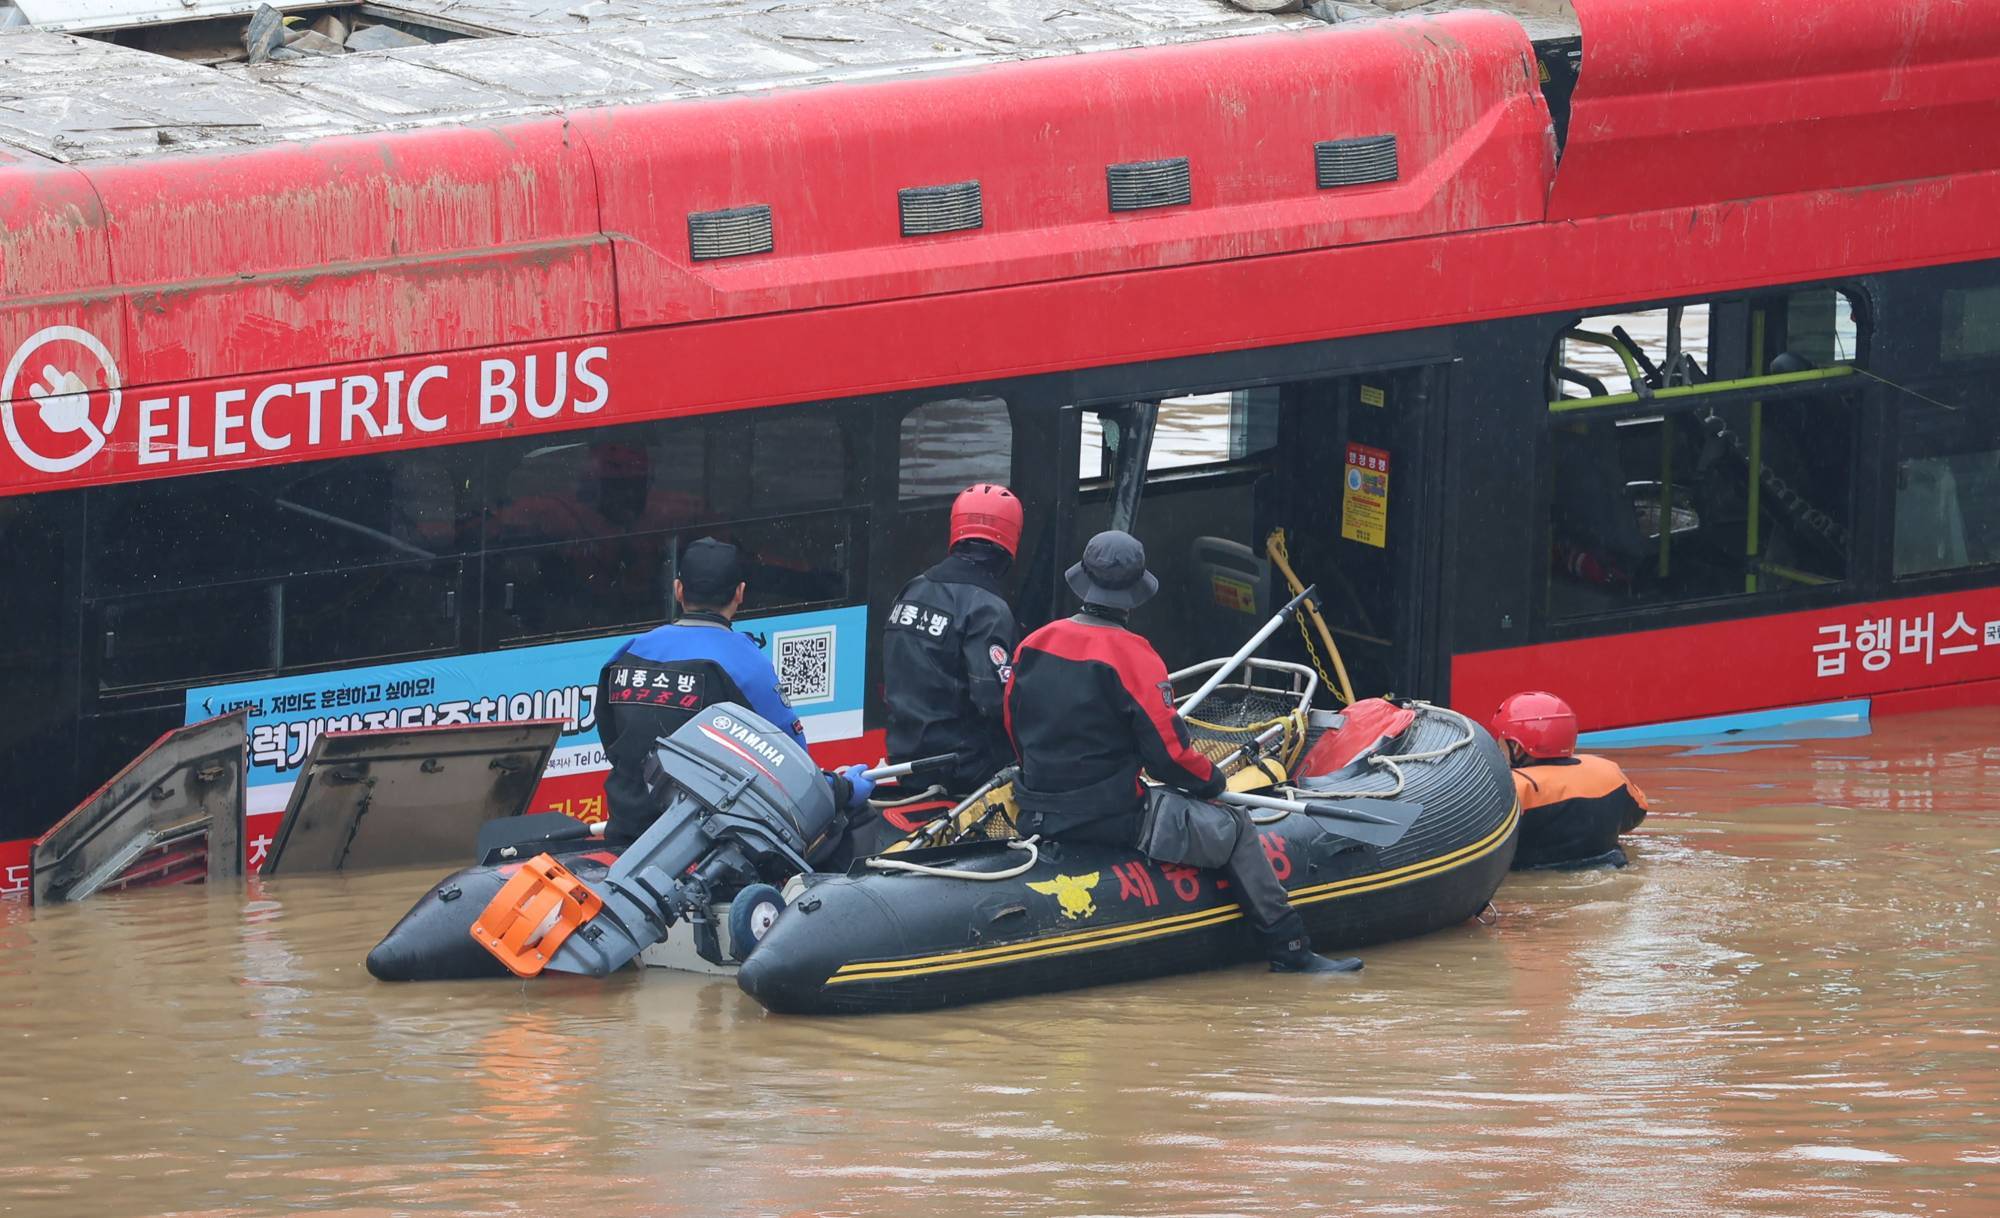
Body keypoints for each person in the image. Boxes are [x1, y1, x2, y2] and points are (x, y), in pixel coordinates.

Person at [1004, 529, 1358, 974]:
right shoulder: (1135, 656)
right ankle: (1289, 947)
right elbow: (1169, 758)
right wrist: (1211, 782)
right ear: (1133, 597)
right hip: (1111, 817)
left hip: (1036, 810)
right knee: (1235, 826)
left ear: (1083, 581)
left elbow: (1014, 729)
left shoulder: (1032, 644)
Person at [597, 537, 870, 848]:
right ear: (740, 593)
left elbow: (615, 744)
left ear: (678, 590)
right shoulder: (746, 664)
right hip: (705, 850)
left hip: (626, 836)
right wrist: (843, 788)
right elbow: (796, 776)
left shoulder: (627, 653)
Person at [883, 484, 1024, 796]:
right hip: (964, 770)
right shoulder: (988, 608)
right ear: (1010, 541)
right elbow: (994, 702)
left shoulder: (913, 589)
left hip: (905, 757)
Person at [1491, 691, 1649, 868]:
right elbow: (1635, 817)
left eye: (1500, 739)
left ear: (1517, 747)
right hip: (1609, 867)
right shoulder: (1609, 773)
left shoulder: (1509, 789)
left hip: (1535, 880)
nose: (1497, 745)